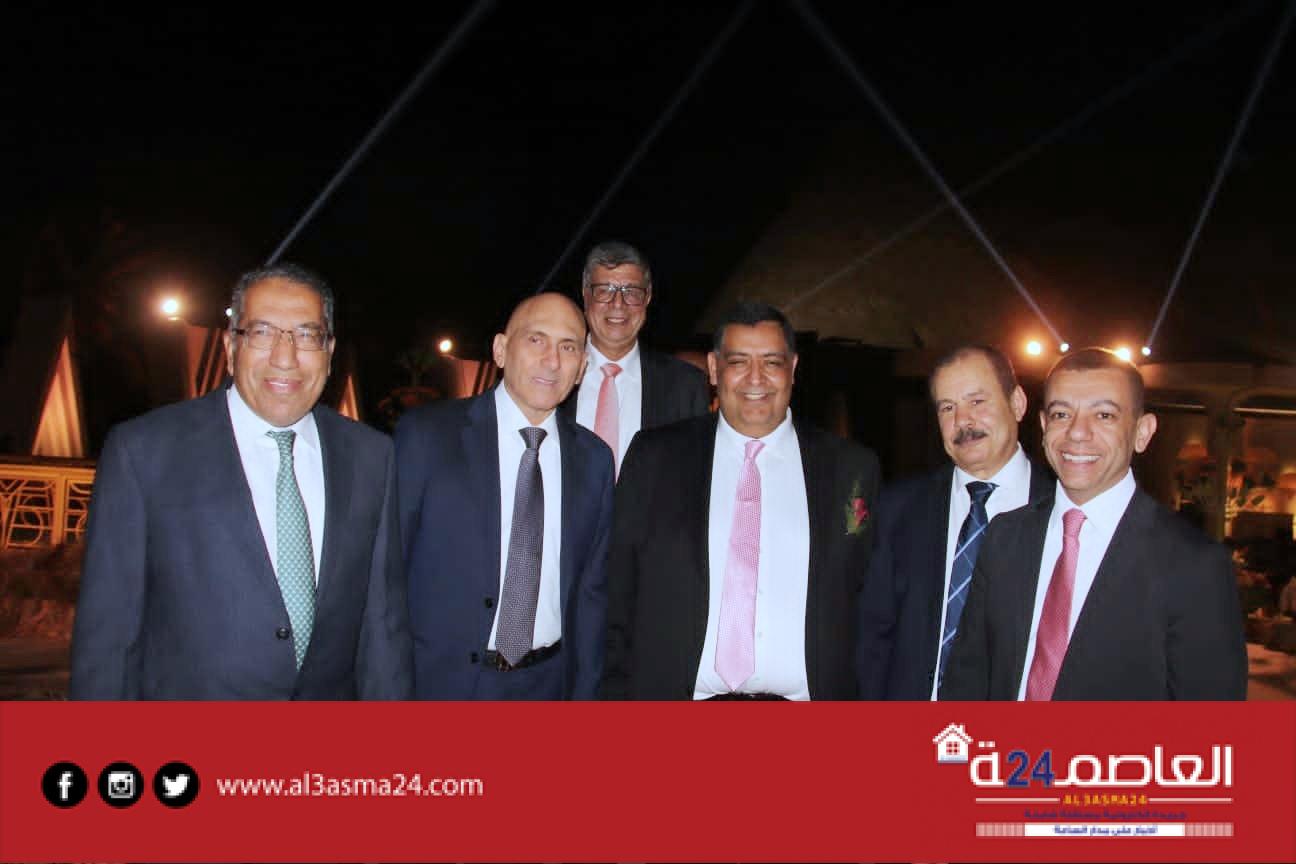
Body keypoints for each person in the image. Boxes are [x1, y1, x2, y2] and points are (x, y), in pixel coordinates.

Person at [70, 264, 411, 699]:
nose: (285, 358)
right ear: (231, 347)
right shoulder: (144, 452)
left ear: (329, 351)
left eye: (306, 335)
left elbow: (382, 626)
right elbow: (109, 636)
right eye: (263, 333)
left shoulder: (371, 456)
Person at [602, 301, 879, 700]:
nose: (755, 378)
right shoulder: (655, 458)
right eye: (738, 362)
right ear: (714, 369)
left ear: (793, 368)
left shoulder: (850, 468)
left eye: (771, 362)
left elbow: (870, 601)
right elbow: (616, 592)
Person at [942, 347, 1247, 700]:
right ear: (1043, 426)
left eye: (1104, 415)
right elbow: (968, 679)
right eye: (1061, 414)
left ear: (1142, 432)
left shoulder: (1193, 565)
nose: (1077, 433)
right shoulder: (1005, 537)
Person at [396, 292, 613, 699]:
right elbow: (387, 578)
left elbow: (591, 593)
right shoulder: (427, 438)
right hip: (441, 687)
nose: (552, 360)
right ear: (500, 349)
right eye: (536, 340)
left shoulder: (595, 460)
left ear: (582, 368)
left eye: (568, 347)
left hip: (550, 686)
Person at [859, 345, 1052, 699]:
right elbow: (872, 635)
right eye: (948, 407)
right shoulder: (899, 509)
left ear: (1018, 403)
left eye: (977, 401)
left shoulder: (1063, 513)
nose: (963, 421)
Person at [561, 241, 710, 472]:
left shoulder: (685, 385)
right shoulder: (554, 373)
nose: (618, 304)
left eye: (631, 292)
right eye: (605, 290)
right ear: (585, 293)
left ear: (648, 297)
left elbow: (695, 473)